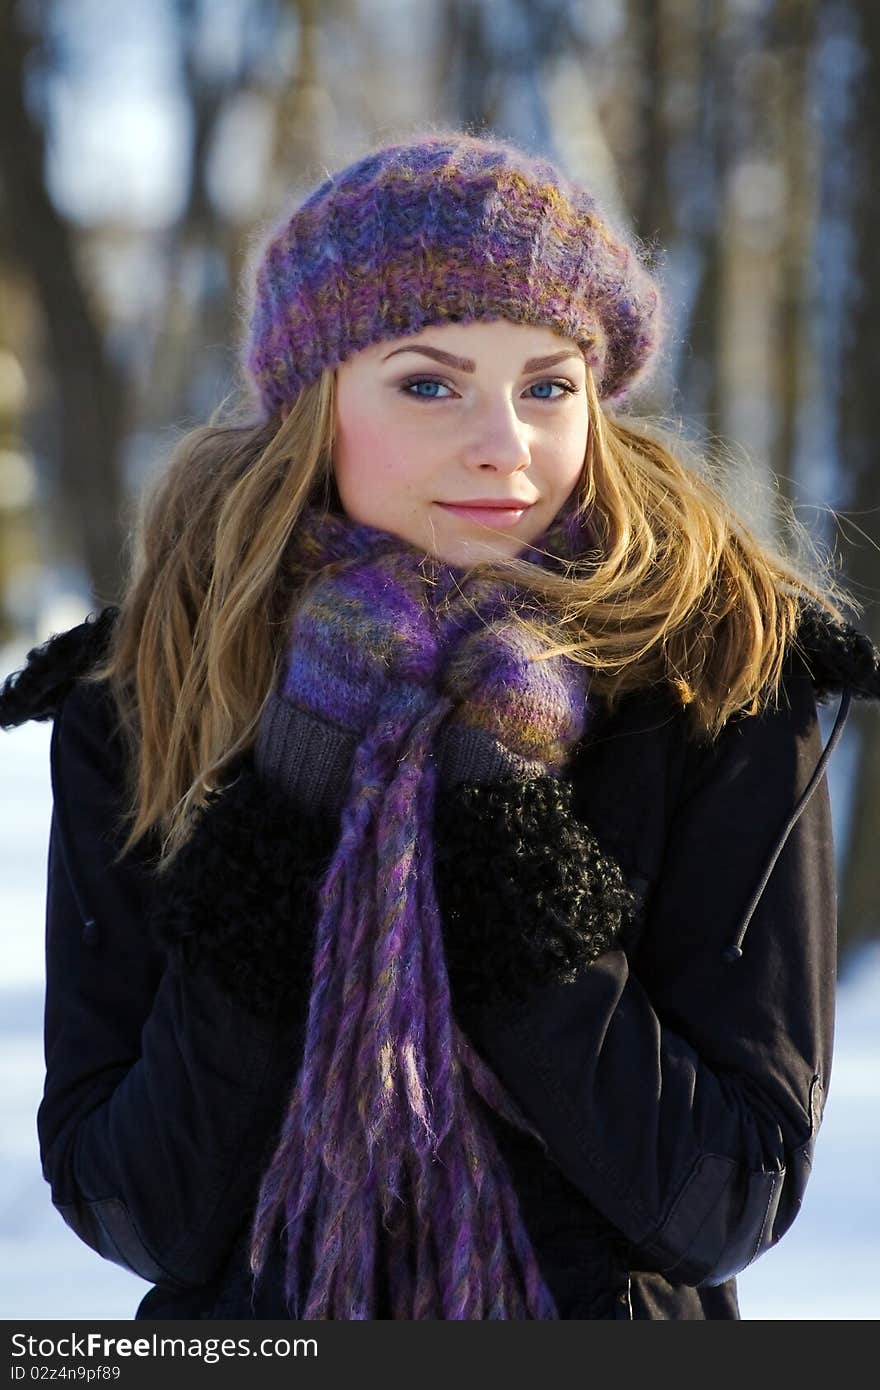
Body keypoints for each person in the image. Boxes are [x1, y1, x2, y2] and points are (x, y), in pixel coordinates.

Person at [2, 128, 880, 1322]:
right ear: (316, 404)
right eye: (429, 382)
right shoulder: (152, 688)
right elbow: (138, 1210)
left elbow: (721, 1198)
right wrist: (304, 779)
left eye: (547, 386)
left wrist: (496, 830)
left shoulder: (713, 679)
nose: (503, 445)